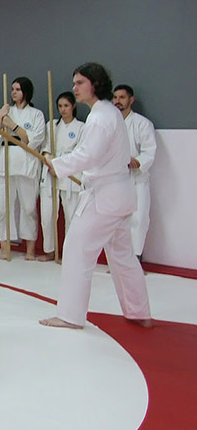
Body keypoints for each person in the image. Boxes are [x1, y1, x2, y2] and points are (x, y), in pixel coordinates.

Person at [40, 63, 152, 330]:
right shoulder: (109, 113)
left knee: (76, 250)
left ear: (95, 84)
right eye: (74, 83)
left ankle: (70, 316)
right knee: (123, 257)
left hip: (104, 198)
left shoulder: (100, 117)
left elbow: (89, 155)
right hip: (119, 195)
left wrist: (58, 164)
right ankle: (139, 312)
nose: (75, 88)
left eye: (80, 82)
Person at [0, 76, 46, 260]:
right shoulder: (5, 111)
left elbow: (31, 139)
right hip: (4, 162)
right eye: (13, 89)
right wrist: (0, 117)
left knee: (28, 207)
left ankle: (30, 248)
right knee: (3, 208)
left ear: (26, 92)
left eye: (18, 89)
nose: (14, 92)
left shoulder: (36, 115)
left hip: (26, 163)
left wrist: (12, 125)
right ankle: (5, 247)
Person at [37, 91, 84, 261]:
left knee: (71, 216)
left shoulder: (81, 127)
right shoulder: (52, 125)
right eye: (60, 106)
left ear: (73, 106)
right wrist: (51, 163)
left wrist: (61, 166)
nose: (63, 109)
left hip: (70, 173)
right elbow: (45, 149)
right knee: (47, 215)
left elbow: (80, 153)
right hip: (51, 171)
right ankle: (50, 250)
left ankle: (70, 254)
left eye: (66, 106)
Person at [113, 84, 157, 258]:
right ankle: (119, 260)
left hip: (137, 179)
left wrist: (137, 161)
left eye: (122, 97)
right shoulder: (110, 124)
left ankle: (136, 258)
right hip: (116, 180)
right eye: (115, 97)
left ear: (131, 100)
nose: (118, 101)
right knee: (117, 221)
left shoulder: (142, 124)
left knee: (139, 219)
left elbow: (149, 151)